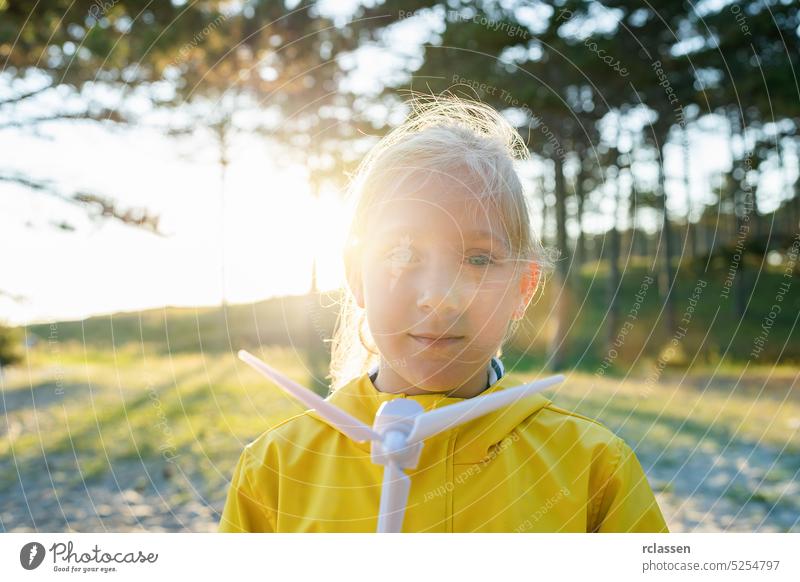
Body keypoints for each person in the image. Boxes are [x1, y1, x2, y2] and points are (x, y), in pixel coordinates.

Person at [219, 96, 668, 533]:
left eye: (478, 259)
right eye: (402, 253)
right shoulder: (275, 469)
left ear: (524, 288)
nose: (441, 297)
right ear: (357, 275)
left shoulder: (594, 468)